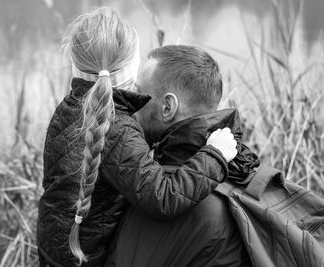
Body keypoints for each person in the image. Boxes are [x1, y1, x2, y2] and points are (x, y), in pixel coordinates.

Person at [37, 8, 238, 267]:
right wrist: (215, 155)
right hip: (86, 257)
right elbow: (162, 196)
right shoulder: (118, 128)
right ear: (131, 68)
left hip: (53, 245)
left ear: (75, 64)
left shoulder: (67, 109)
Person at [105, 45, 258, 267]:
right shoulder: (242, 167)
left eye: (138, 92)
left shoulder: (161, 200)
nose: (131, 103)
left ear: (168, 107)